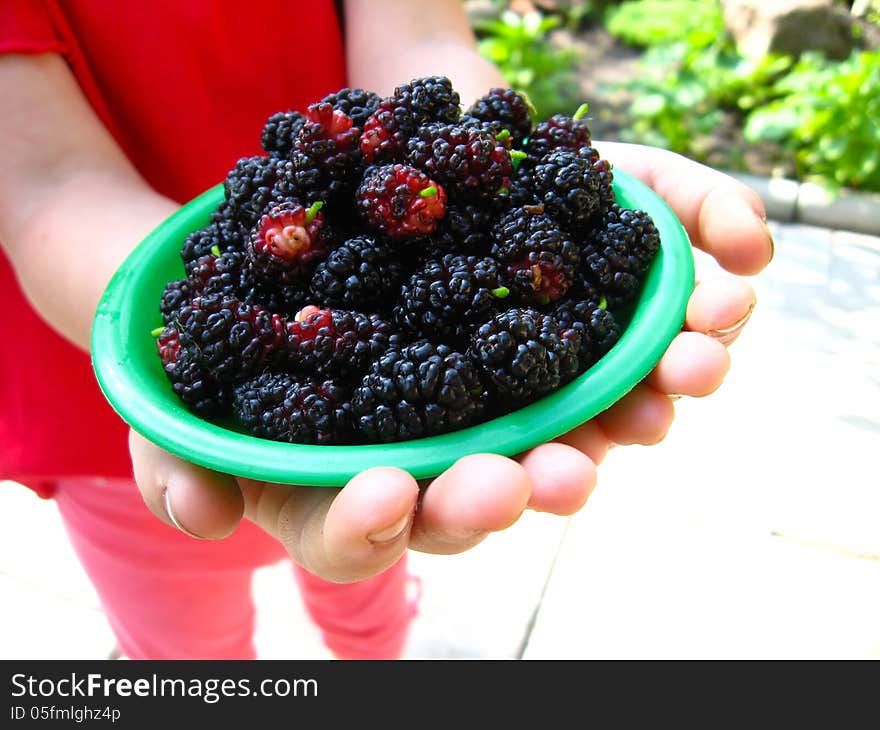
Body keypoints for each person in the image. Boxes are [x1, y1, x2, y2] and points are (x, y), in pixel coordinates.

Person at [0, 0, 771, 660]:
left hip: (365, 423)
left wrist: (511, 157)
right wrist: (195, 329)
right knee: (182, 639)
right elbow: (52, 189)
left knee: (368, 574)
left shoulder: (430, 246)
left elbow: (423, 40)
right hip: (105, 431)